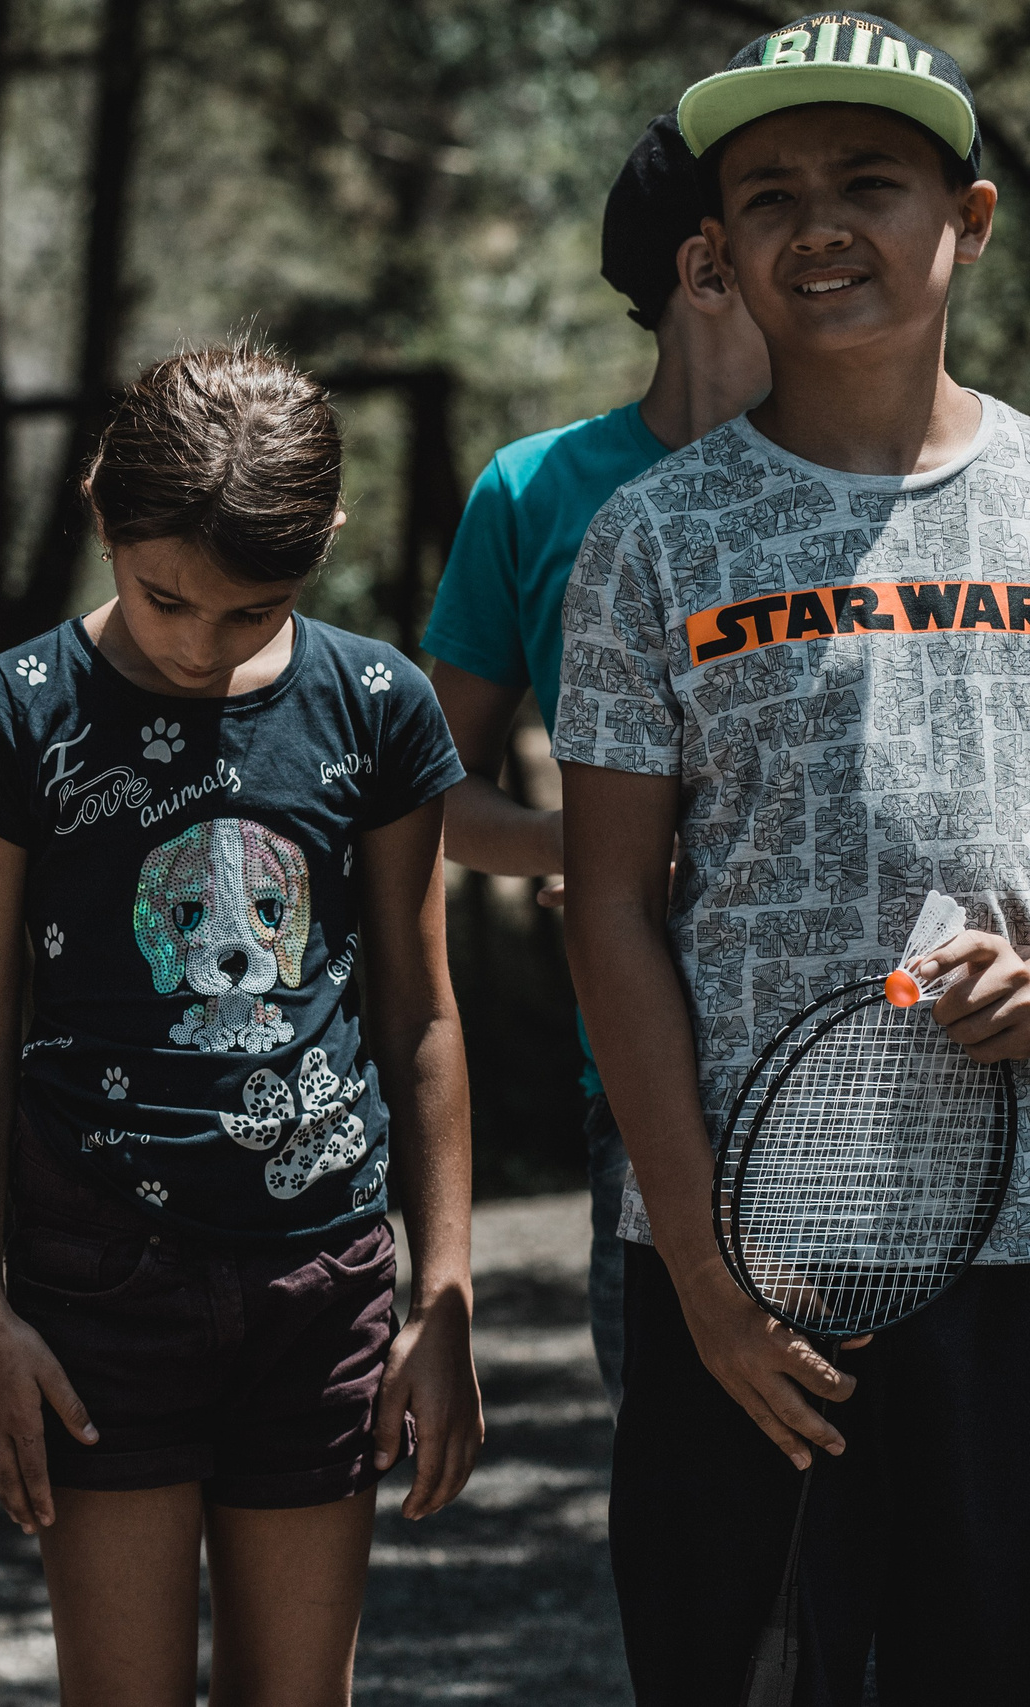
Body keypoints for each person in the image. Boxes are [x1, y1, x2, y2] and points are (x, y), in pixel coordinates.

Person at [557, 16, 1030, 1702]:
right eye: (769, 196)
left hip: (1010, 1259)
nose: (819, 224)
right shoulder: (648, 540)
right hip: (745, 1286)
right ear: (718, 253)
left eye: (869, 183)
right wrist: (703, 1276)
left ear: (966, 223)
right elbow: (606, 905)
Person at [0, 342, 482, 1705]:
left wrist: (448, 1287)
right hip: (100, 1282)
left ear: (325, 548)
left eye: (251, 612)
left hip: (323, 1276)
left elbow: (419, 1011)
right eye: (166, 595)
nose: (194, 640)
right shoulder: (14, 717)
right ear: (104, 502)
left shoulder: (378, 708)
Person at [422, 111, 770, 1407]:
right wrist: (586, 851)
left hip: (888, 1062)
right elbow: (428, 789)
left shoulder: (879, 476)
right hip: (641, 1090)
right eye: (775, 202)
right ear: (707, 263)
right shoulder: (536, 490)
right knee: (707, 1560)